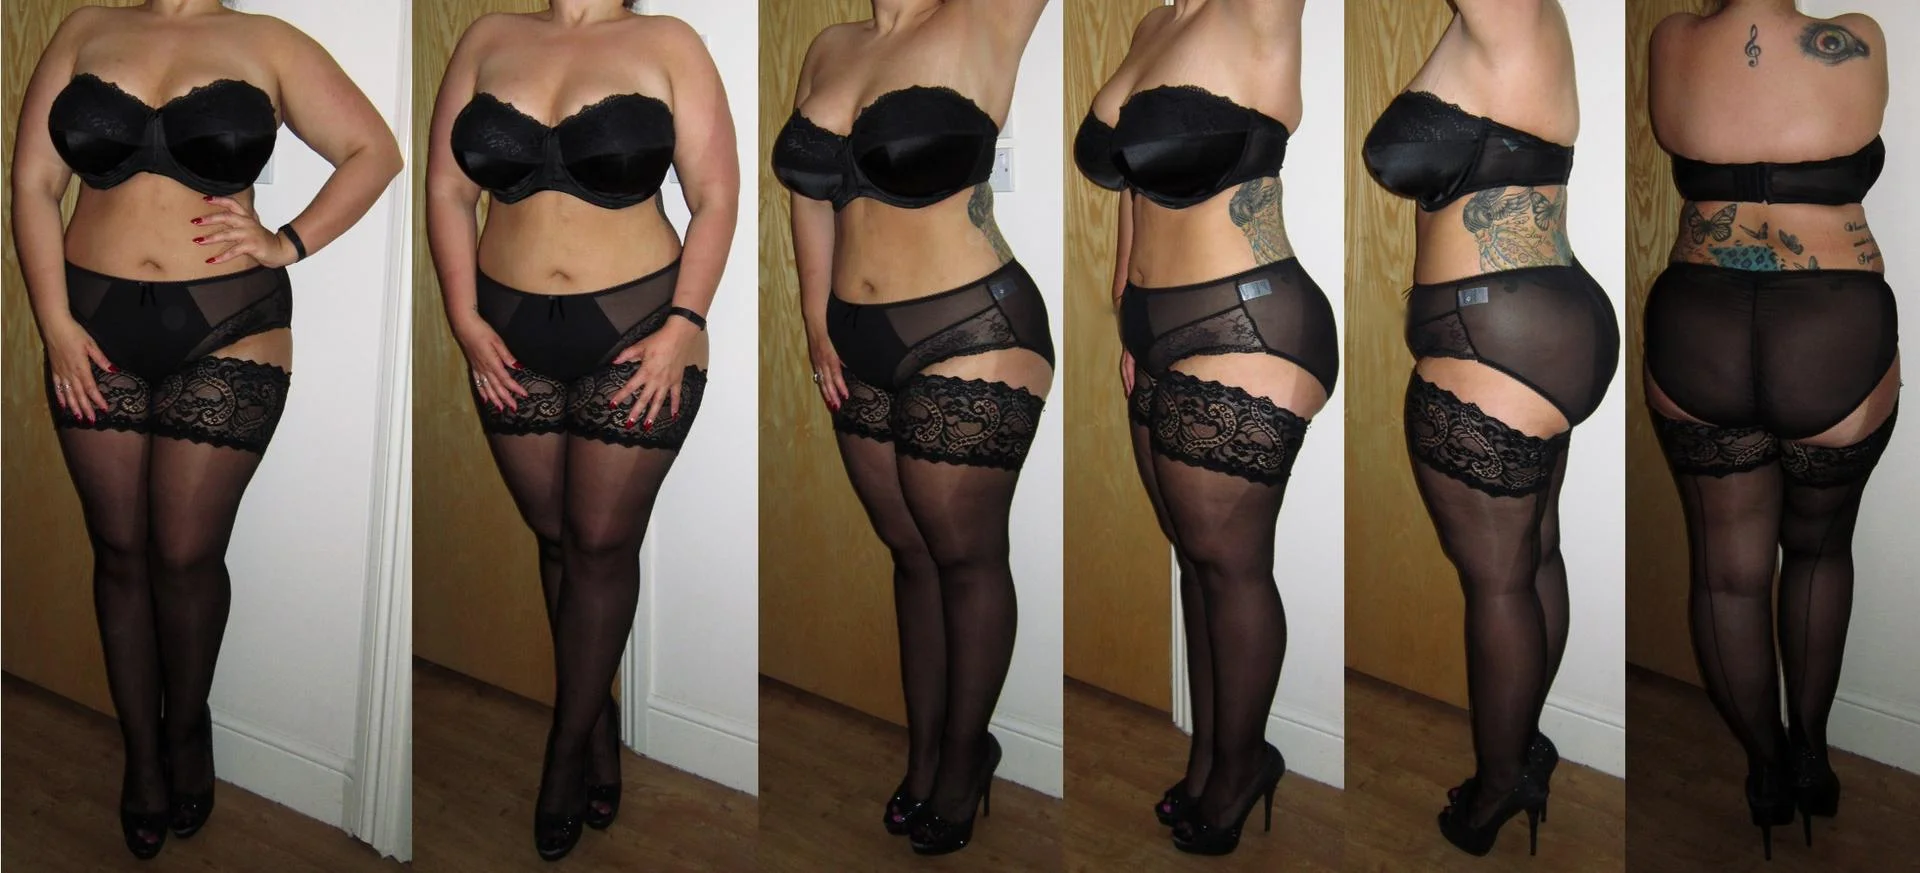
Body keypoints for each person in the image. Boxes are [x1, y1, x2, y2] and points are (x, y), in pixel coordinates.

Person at [10, 0, 401, 859]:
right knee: (119, 551)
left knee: (186, 554)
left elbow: (376, 150)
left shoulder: (268, 42)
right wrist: (54, 322)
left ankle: (187, 725)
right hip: (91, 325)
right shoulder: (83, 31)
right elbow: (34, 183)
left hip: (229, 324)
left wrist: (289, 240)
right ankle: (142, 755)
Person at [424, 0, 737, 860]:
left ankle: (565, 756)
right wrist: (463, 315)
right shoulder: (488, 37)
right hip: (506, 331)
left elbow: (714, 196)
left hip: (638, 330)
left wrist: (684, 322)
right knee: (558, 537)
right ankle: (595, 724)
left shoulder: (667, 42)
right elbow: (448, 188)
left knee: (599, 543)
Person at [770, 0, 1050, 855]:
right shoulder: (831, 46)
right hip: (852, 339)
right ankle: (926, 750)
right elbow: (808, 198)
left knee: (966, 556)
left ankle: (964, 760)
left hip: (971, 327)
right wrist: (815, 320)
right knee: (911, 553)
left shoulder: (983, 18)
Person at [1072, 0, 1335, 856]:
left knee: (1231, 565)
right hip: (1154, 331)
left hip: (1247, 322)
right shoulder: (1152, 25)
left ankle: (1244, 764)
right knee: (1196, 558)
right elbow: (1133, 182)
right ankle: (1210, 755)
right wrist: (1126, 311)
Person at [1361, 0, 1617, 856]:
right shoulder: (1500, 31)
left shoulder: (1508, 15)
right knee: (1533, 554)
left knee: (1499, 582)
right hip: (1543, 317)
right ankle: (1524, 745)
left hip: (1497, 331)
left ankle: (1500, 784)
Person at [1646, 1, 1892, 859]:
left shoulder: (1671, 40)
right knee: (1818, 552)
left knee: (1727, 577)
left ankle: (1764, 769)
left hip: (1699, 325)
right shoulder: (1858, 37)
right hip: (1831, 325)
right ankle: (1812, 756)